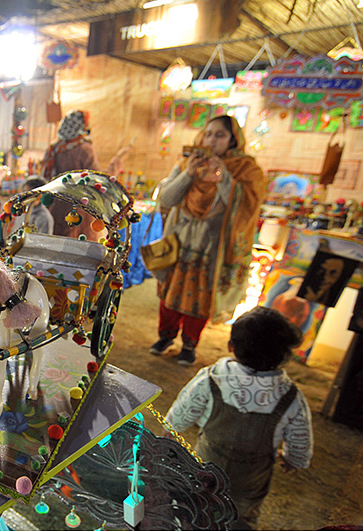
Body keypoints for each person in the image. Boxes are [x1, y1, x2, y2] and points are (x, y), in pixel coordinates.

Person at [165, 306, 313, 530]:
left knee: (195, 509)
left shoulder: (212, 379)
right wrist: (295, 459)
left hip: (206, 469)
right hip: (250, 484)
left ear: (231, 346)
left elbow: (185, 409)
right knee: (241, 519)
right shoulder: (291, 397)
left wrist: (171, 428)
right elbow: (300, 434)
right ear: (285, 355)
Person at [150, 115, 267, 365]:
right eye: (209, 133)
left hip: (212, 245)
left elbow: (245, 205)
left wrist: (224, 176)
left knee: (201, 296)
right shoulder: (186, 163)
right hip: (180, 239)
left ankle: (190, 345)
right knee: (169, 290)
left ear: (233, 140)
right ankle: (165, 336)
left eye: (220, 135)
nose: (212, 140)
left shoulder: (246, 170)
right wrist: (189, 174)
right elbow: (167, 199)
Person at [41, 109, 103, 240]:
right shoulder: (84, 149)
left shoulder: (55, 147)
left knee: (57, 241)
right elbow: (97, 179)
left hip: (57, 203)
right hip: (80, 206)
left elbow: (46, 175)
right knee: (77, 245)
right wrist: (118, 161)